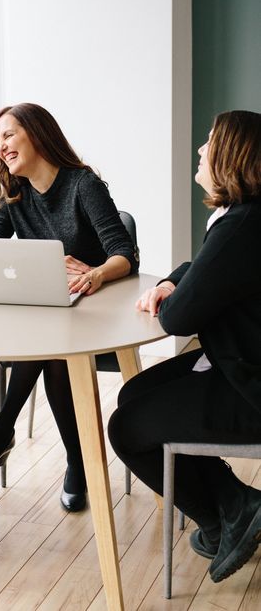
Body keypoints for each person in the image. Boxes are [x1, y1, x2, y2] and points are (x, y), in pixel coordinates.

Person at [0, 102, 139, 511]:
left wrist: (94, 274)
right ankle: (74, 463)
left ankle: (8, 431)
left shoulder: (82, 184)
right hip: (53, 316)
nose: (1, 146)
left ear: (37, 135)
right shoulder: (14, 191)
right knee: (52, 346)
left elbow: (123, 253)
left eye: (9, 135)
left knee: (54, 349)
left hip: (99, 313)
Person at [108, 110, 261, 583]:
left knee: (126, 427)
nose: (200, 150)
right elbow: (202, 270)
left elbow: (178, 319)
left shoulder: (239, 227)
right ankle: (229, 513)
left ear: (232, 157)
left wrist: (173, 293)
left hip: (249, 382)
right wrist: (177, 281)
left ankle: (231, 511)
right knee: (133, 395)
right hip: (240, 359)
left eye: (210, 142)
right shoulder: (243, 219)